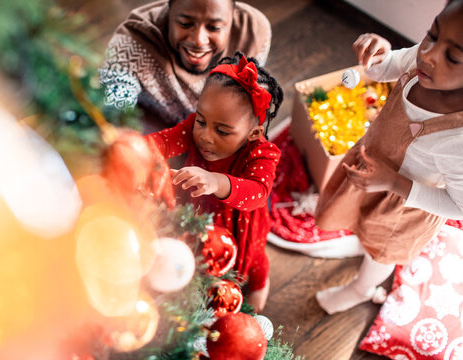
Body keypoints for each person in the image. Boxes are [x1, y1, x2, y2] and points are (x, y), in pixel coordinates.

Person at [315, 0, 463, 314]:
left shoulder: (458, 139)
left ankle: (362, 287)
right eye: (432, 35)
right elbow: (387, 69)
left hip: (402, 206)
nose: (429, 55)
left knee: (381, 252)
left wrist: (393, 182)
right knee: (361, 221)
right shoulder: (421, 61)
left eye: (453, 57)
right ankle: (361, 242)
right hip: (372, 170)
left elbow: (457, 206)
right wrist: (378, 54)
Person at [146, 52, 283, 311]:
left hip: (240, 226)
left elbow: (258, 192)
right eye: (201, 120)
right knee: (196, 250)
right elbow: (164, 140)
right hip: (198, 211)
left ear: (254, 133)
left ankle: (257, 290)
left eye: (221, 131)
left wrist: (217, 182)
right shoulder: (193, 131)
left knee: (253, 262)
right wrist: (136, 150)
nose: (205, 136)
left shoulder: (262, 153)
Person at [99, 0, 271, 130]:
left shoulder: (253, 34)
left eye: (214, 27)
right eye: (185, 24)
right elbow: (113, 107)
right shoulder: (132, 42)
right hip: (153, 132)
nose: (198, 40)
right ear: (169, 10)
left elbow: (248, 102)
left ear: (233, 16)